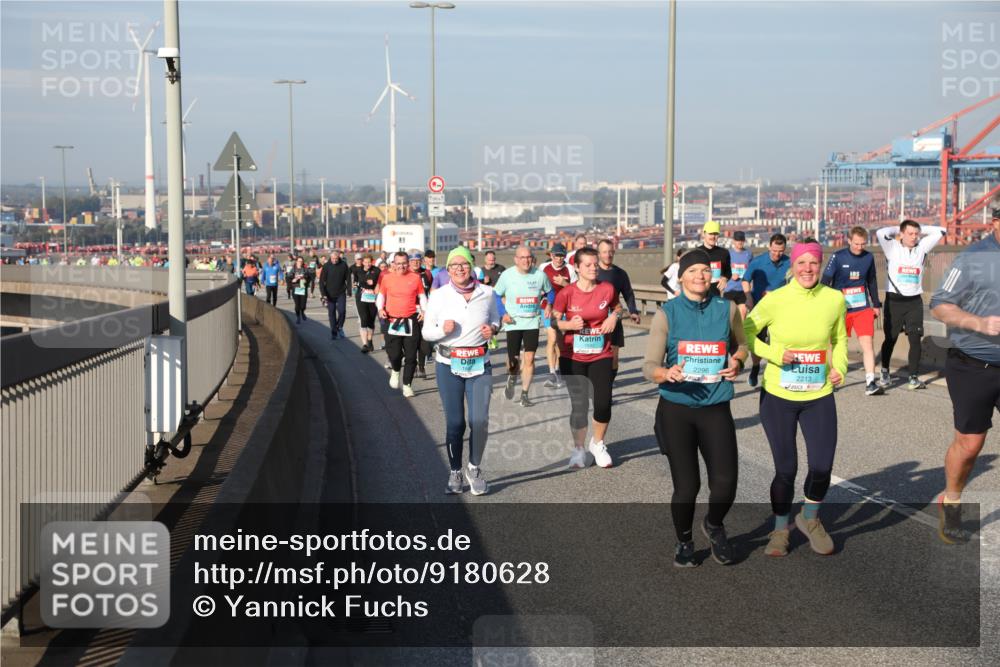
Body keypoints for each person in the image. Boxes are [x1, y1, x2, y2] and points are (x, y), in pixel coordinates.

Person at [643, 249, 748, 567]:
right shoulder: (667, 313)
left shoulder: (727, 309)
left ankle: (714, 525)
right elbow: (649, 365)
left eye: (706, 270)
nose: (700, 275)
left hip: (715, 406)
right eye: (693, 271)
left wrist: (737, 362)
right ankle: (684, 540)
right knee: (687, 486)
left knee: (726, 482)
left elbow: (742, 345)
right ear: (682, 276)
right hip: (678, 408)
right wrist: (665, 373)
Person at [744, 239, 848, 558]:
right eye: (801, 263)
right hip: (778, 396)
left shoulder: (834, 300)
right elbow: (747, 331)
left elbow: (840, 338)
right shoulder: (776, 300)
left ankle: (809, 519)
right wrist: (775, 353)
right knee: (786, 469)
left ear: (820, 266)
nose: (807, 269)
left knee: (821, 466)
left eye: (813, 263)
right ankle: (779, 529)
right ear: (792, 266)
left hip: (818, 394)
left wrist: (839, 367)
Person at [929, 203, 1000, 544]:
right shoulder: (973, 257)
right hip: (974, 364)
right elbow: (940, 303)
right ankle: (952, 501)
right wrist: (978, 322)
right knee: (971, 444)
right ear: (996, 222)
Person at [422, 246, 501, 495]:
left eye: (464, 264)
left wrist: (494, 329)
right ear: (448, 270)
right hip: (449, 364)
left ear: (471, 266)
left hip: (480, 363)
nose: (459, 269)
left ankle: (474, 468)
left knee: (479, 421)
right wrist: (441, 331)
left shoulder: (487, 293)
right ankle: (455, 471)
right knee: (455, 422)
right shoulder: (439, 296)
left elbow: (496, 319)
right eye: (454, 265)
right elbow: (426, 332)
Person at [552, 246, 622, 469]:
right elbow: (553, 321)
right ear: (577, 268)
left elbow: (618, 307)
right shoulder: (567, 294)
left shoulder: (607, 289)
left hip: (600, 353)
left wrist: (614, 317)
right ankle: (579, 449)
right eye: (588, 265)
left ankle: (598, 443)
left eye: (595, 264)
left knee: (603, 403)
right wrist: (568, 324)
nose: (594, 268)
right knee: (579, 405)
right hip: (572, 356)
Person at [876, 219, 946, 390]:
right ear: (901, 234)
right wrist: (899, 227)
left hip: (914, 301)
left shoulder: (921, 248)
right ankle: (884, 371)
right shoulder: (892, 247)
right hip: (895, 300)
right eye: (910, 233)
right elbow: (880, 233)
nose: (914, 237)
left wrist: (920, 228)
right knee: (890, 339)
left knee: (915, 340)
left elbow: (941, 230)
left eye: (917, 234)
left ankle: (913, 378)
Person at [821, 226, 883, 396]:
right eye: (856, 244)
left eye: (863, 244)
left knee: (868, 343)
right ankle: (831, 378)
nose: (859, 247)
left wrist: (876, 304)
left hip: (862, 307)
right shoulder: (838, 257)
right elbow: (825, 281)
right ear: (849, 241)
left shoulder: (869, 257)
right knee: (836, 345)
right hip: (841, 308)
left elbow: (872, 281)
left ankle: (871, 382)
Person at [494, 246, 554, 407]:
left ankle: (525, 394)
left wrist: (548, 305)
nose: (526, 260)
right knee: (513, 361)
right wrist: (502, 313)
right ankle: (512, 377)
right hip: (513, 322)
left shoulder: (540, 275)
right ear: (516, 259)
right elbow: (496, 295)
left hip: (532, 321)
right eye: (522, 257)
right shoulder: (507, 276)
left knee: (529, 358)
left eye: (529, 257)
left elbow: (550, 292)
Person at [376, 251, 427, 398]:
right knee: (395, 354)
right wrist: (380, 309)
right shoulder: (387, 278)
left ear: (408, 262)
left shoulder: (415, 278)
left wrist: (425, 311)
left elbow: (422, 297)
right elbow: (381, 296)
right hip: (393, 320)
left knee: (411, 356)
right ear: (393, 264)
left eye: (404, 263)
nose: (401, 266)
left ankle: (407, 385)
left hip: (411, 320)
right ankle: (396, 370)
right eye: (398, 263)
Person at [741, 233, 790, 387]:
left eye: (780, 251)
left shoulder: (790, 263)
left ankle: (777, 372)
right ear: (769, 246)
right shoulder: (757, 262)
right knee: (758, 341)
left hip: (780, 309)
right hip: (759, 308)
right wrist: (748, 297)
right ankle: (755, 367)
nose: (777, 254)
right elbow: (745, 281)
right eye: (774, 250)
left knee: (780, 340)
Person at [596, 239, 642, 384]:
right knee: (597, 355)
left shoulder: (620, 274)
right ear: (598, 254)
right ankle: (599, 384)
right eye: (604, 252)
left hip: (615, 318)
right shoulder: (592, 272)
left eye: (610, 252)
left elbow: (628, 293)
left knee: (613, 357)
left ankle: (608, 385)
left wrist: (633, 311)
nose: (608, 255)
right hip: (595, 320)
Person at [538, 242, 577, 389]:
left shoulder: (570, 269)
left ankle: (559, 370)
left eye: (561, 256)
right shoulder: (543, 268)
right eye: (556, 255)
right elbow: (538, 287)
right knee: (552, 338)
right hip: (547, 307)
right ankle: (551, 372)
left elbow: (575, 290)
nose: (558, 259)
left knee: (561, 341)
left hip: (564, 309)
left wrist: (564, 283)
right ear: (551, 256)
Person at [409, 251, 435, 379]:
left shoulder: (427, 273)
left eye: (418, 261)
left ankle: (421, 367)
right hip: (409, 310)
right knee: (412, 340)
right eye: (413, 261)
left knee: (424, 340)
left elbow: (432, 291)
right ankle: (413, 366)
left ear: (422, 261)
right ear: (409, 262)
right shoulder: (406, 274)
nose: (415, 263)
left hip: (425, 310)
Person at [319, 249, 351, 340]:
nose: (334, 260)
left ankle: (339, 327)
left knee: (342, 311)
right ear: (330, 258)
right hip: (329, 294)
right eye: (333, 259)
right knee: (331, 313)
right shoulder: (326, 266)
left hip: (341, 292)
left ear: (339, 257)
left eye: (336, 258)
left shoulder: (343, 265)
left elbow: (348, 279)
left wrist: (349, 291)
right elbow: (322, 281)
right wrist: (323, 294)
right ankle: (333, 332)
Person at [353, 255, 381, 353]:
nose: (368, 264)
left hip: (373, 297)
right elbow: (355, 281)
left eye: (369, 262)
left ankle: (369, 340)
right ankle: (364, 344)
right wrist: (356, 285)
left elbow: (380, 282)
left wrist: (374, 285)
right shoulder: (358, 270)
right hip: (361, 297)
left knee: (370, 321)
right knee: (363, 319)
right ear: (363, 262)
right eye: (365, 262)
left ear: (372, 262)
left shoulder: (377, 271)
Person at [696, 221, 731, 297]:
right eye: (710, 234)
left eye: (715, 234)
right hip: (699, 295)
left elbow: (728, 272)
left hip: (716, 295)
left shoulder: (724, 253)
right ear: (703, 234)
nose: (713, 237)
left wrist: (725, 279)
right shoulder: (696, 253)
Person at [724, 231, 753, 319]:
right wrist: (731, 275)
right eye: (737, 240)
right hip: (730, 289)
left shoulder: (749, 254)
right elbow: (723, 270)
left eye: (741, 240)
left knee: (743, 313)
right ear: (733, 241)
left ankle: (740, 333)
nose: (740, 242)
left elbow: (752, 270)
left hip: (743, 290)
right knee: (730, 315)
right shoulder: (728, 254)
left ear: (744, 241)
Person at [288, 256, 309, 323]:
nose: (300, 262)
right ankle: (298, 316)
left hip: (303, 288)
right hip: (296, 288)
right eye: (299, 261)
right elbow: (288, 277)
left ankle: (302, 312)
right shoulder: (293, 269)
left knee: (303, 305)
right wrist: (292, 280)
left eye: (301, 261)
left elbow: (309, 278)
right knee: (297, 305)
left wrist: (306, 280)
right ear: (296, 261)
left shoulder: (305, 269)